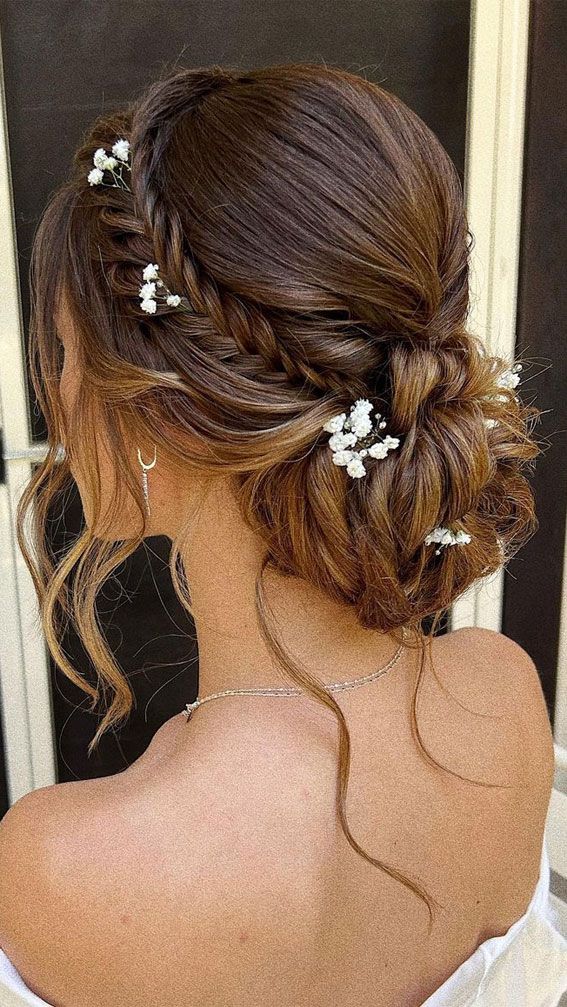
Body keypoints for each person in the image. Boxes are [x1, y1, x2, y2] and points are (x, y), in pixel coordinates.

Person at [0, 61, 566, 1007]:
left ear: (160, 413)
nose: (55, 392)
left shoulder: (67, 866)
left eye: (62, 352)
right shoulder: (501, 699)